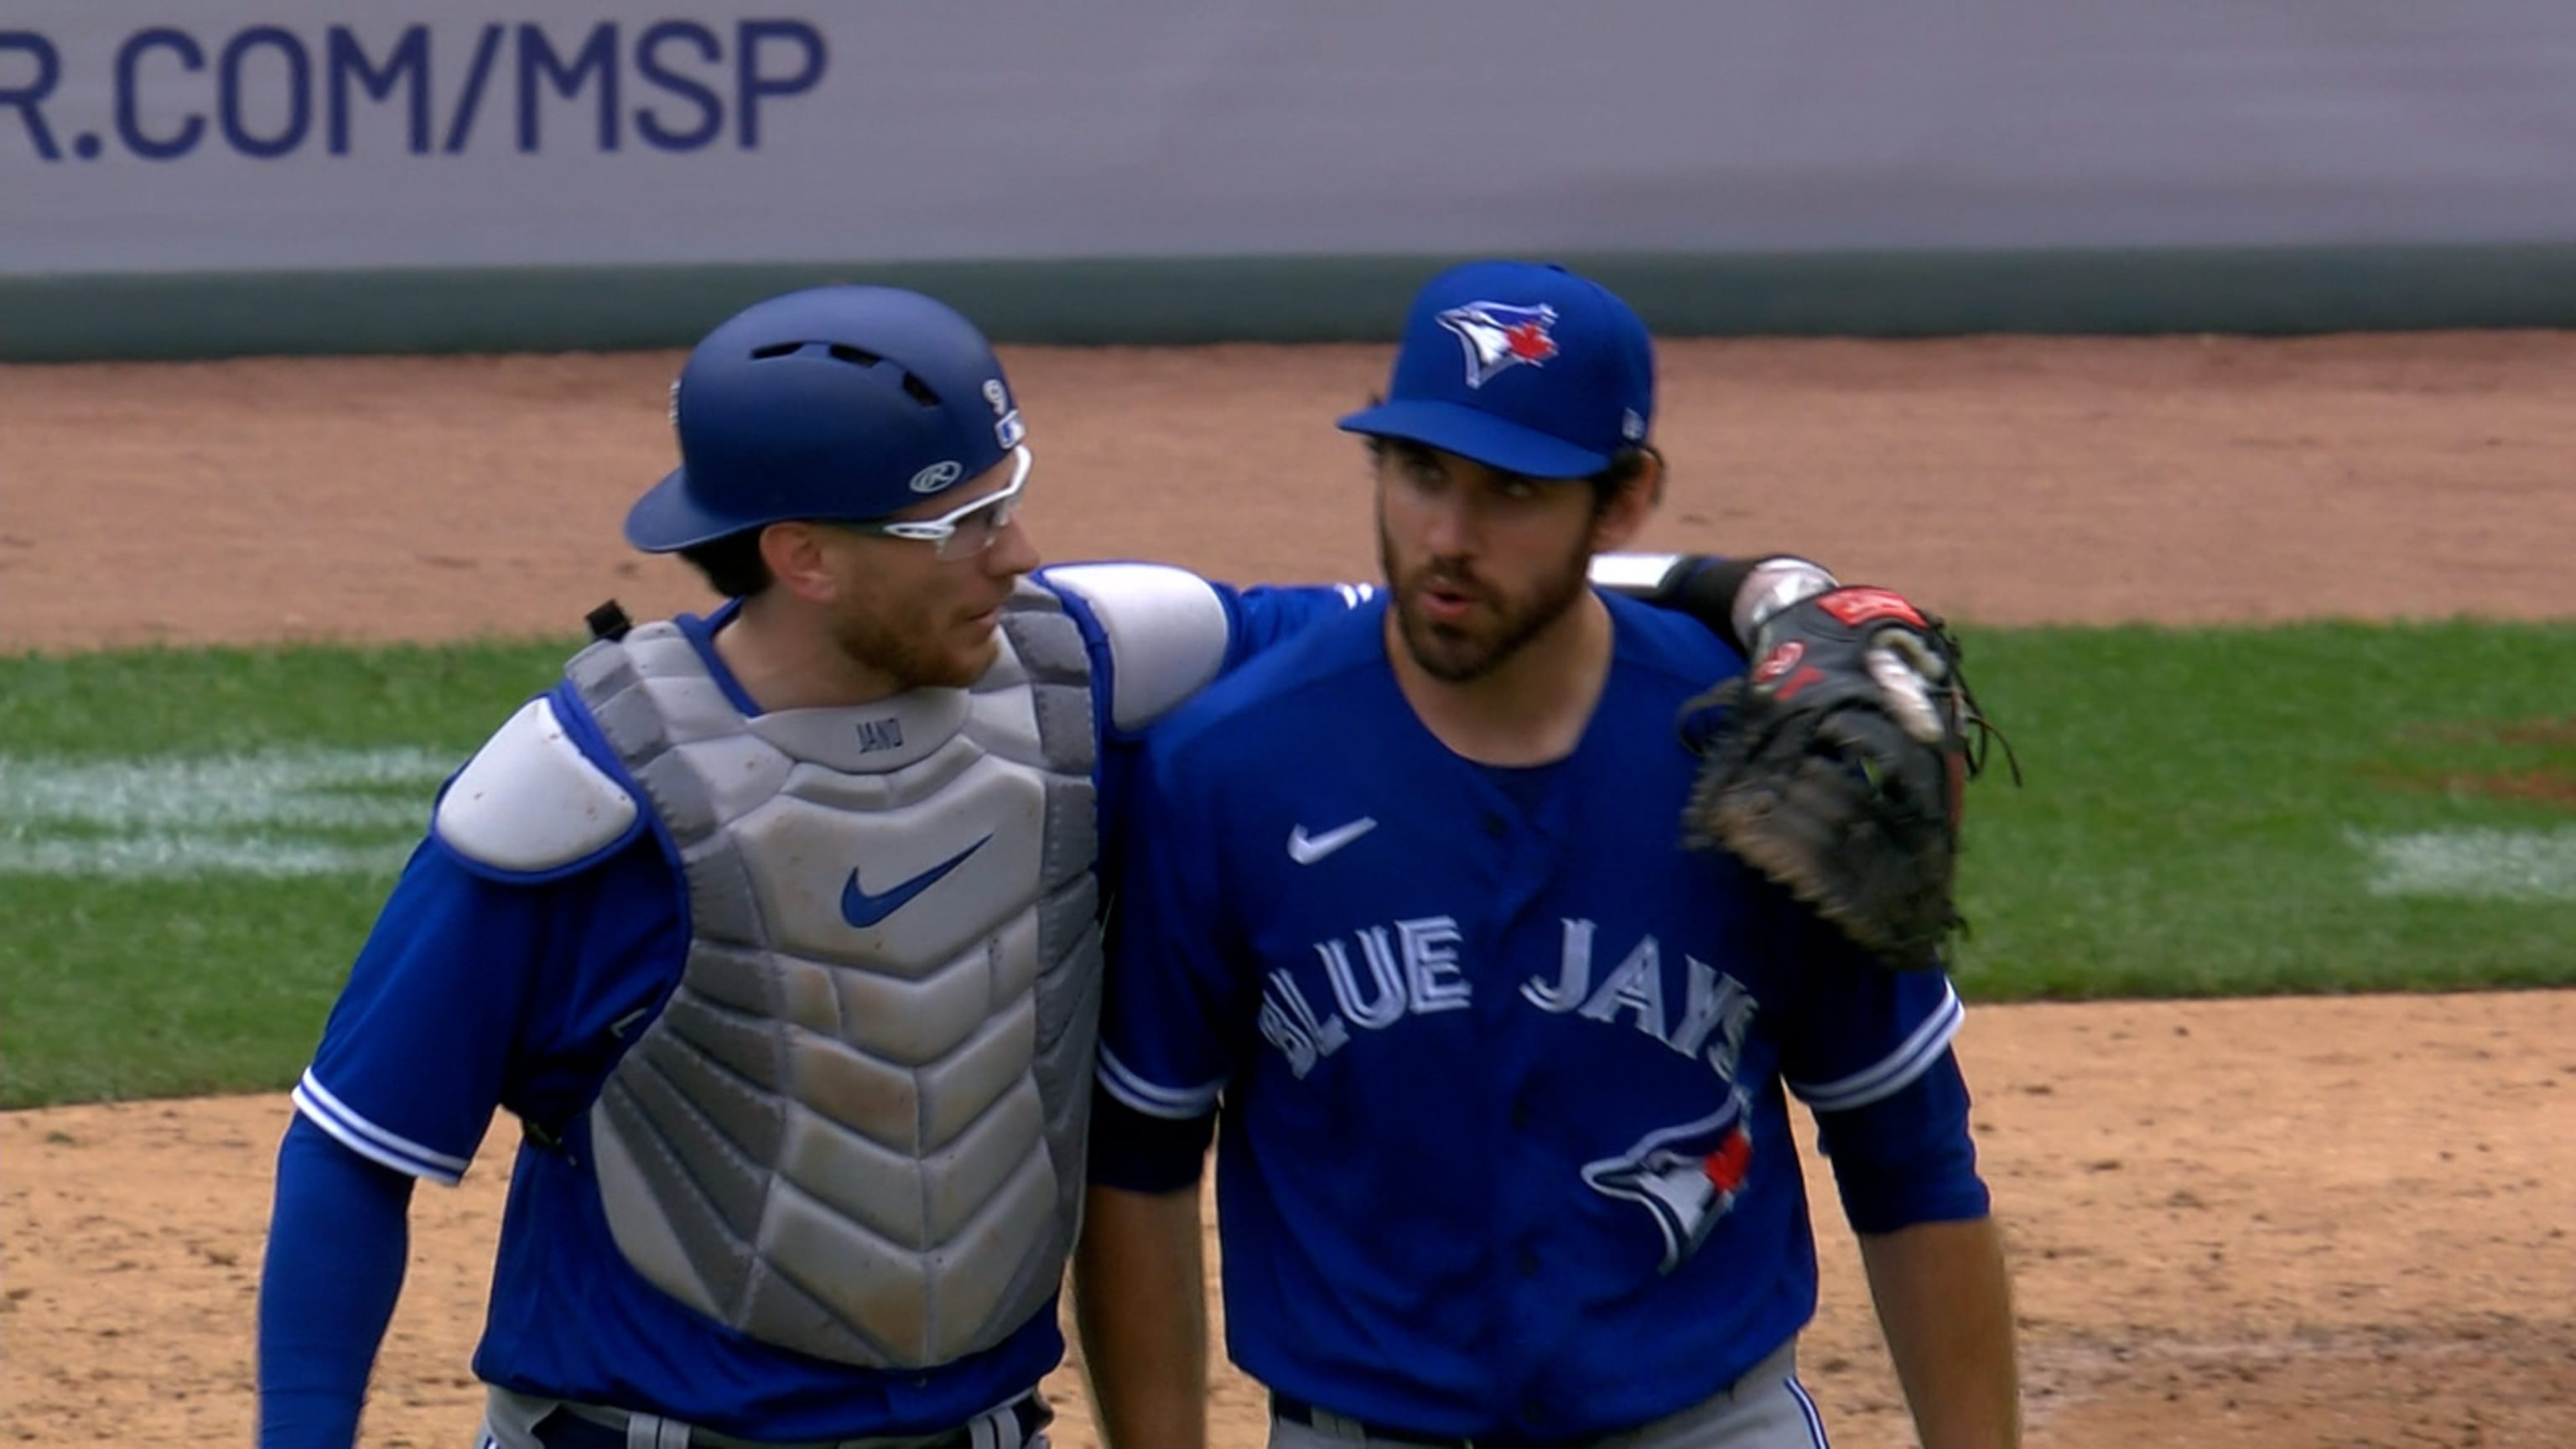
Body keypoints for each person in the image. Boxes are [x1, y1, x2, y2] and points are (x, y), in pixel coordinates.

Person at [252, 281, 1907, 1449]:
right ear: (804, 557)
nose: (1018, 553)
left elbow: (1411, 611)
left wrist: (1769, 590)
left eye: (1011, 499)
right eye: (961, 525)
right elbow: (351, 1151)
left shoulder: (1095, 668)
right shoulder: (584, 796)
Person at [1075, 261, 2020, 1449]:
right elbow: (1140, 1164)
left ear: (1624, 502)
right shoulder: (1228, 770)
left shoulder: (1760, 760)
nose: (1449, 539)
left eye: (1513, 492)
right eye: (1421, 475)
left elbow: (1911, 1163)